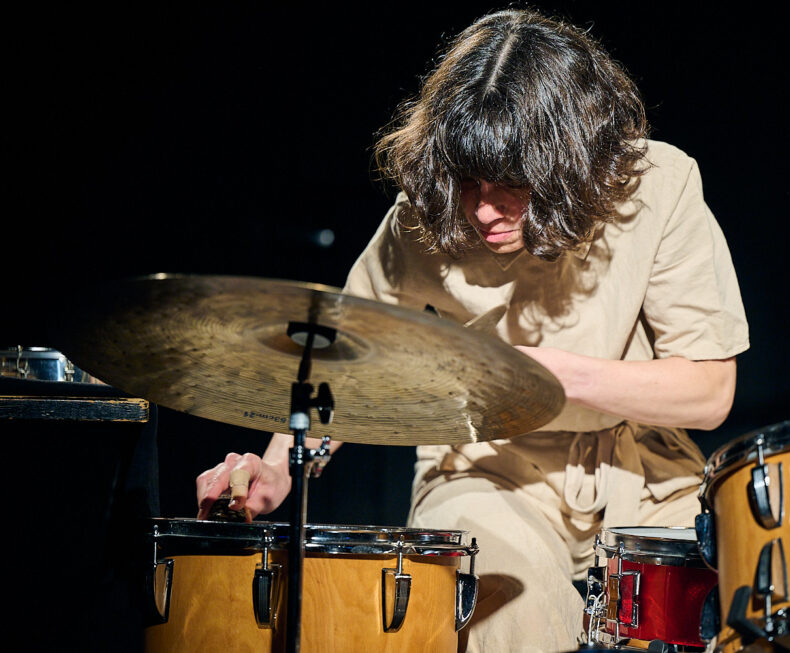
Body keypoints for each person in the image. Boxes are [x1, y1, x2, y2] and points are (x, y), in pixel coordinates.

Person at [197, 9, 748, 652]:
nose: (484, 208)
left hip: (642, 473)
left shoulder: (658, 184)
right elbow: (342, 363)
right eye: (469, 181)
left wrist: (552, 375)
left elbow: (709, 393)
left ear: (572, 164)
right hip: (487, 468)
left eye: (511, 185)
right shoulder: (424, 215)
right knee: (507, 602)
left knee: (733, 613)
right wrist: (277, 467)